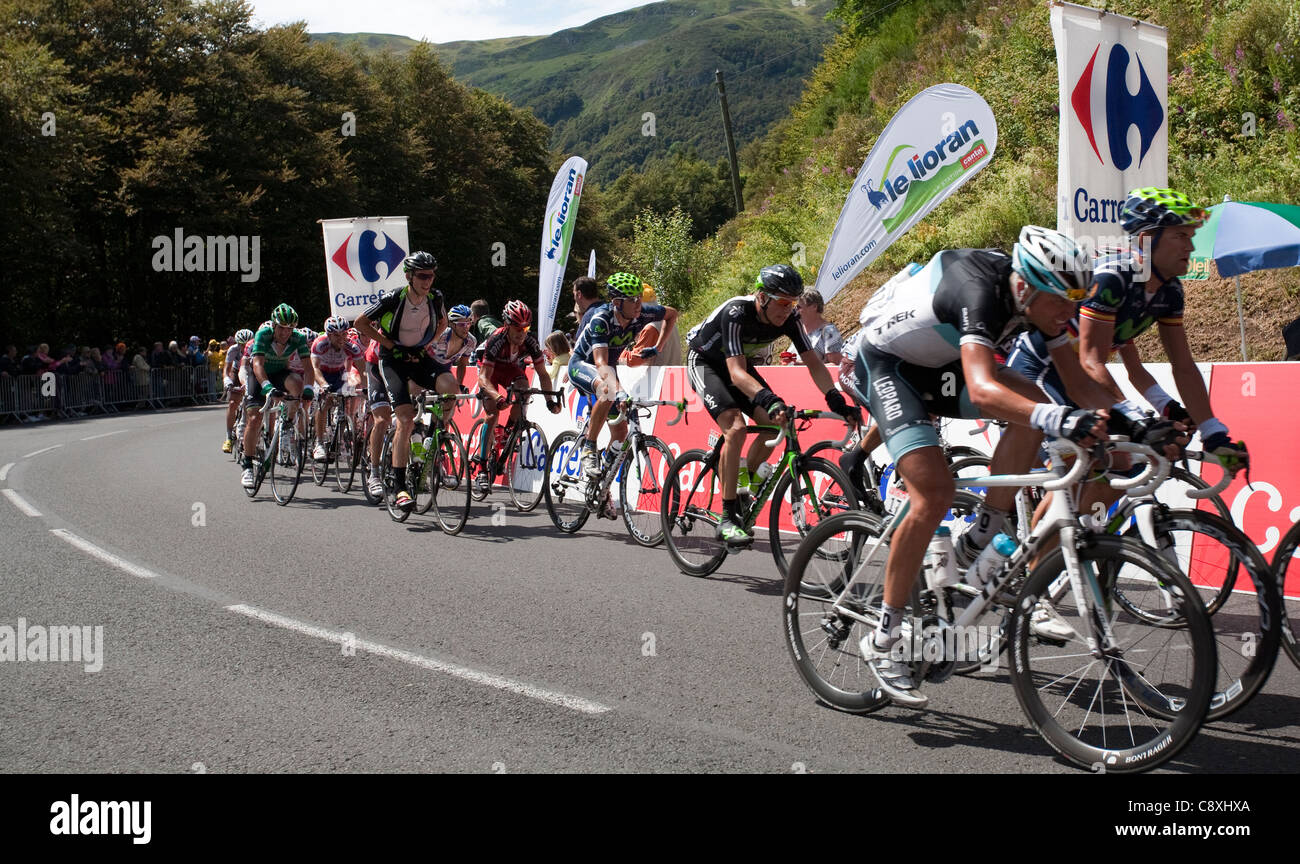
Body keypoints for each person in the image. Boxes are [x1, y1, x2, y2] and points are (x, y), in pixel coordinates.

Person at [846, 226, 1117, 705]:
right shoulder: (978, 290)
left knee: (1032, 400)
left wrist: (1133, 425)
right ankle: (883, 638)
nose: (1068, 314)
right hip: (889, 366)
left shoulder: (1042, 303)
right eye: (1061, 302)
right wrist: (1061, 419)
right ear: (1024, 287)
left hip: (940, 366)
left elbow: (1076, 383)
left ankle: (982, 533)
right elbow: (983, 388)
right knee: (933, 495)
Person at [686, 264, 860, 546]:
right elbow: (736, 373)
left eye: (792, 303)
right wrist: (769, 399)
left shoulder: (790, 319)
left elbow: (815, 364)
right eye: (782, 302)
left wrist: (835, 398)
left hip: (738, 366)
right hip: (707, 362)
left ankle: (743, 486)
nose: (787, 309)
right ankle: (727, 518)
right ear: (762, 297)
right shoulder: (737, 312)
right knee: (736, 428)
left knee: (771, 424)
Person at [353, 251, 447, 511]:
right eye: (423, 275)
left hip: (406, 361)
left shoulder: (431, 301)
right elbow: (362, 323)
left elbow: (441, 323)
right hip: (379, 363)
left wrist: (425, 346)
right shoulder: (395, 301)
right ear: (410, 276)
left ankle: (417, 457)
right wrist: (390, 344)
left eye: (432, 275)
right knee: (383, 419)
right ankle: (374, 473)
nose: (429, 280)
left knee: (412, 411)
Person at [568, 272, 679, 493]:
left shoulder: (642, 313)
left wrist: (659, 347)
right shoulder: (601, 319)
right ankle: (589, 449)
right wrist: (618, 390)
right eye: (632, 299)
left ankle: (599, 487)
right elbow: (600, 362)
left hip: (609, 370)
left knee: (620, 434)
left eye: (639, 297)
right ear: (617, 302)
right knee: (609, 391)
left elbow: (672, 314)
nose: (638, 304)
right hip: (584, 365)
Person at [474, 300, 562, 494]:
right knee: (492, 414)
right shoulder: (496, 340)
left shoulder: (530, 341)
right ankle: (481, 469)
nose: (522, 332)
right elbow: (483, 378)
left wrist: (550, 401)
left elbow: (543, 374)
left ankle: (507, 433)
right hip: (489, 370)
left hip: (508, 368)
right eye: (517, 327)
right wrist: (497, 397)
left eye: (526, 327)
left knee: (524, 388)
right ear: (506, 324)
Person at [240, 304, 317, 490]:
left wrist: (308, 388)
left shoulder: (298, 338)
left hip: (280, 372)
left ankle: (288, 424)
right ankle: (248, 465)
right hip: (259, 376)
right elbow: (257, 364)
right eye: (281, 328)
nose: (285, 332)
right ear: (274, 326)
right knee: (254, 418)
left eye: (289, 328)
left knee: (297, 383)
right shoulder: (263, 335)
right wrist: (267, 387)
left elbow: (308, 367)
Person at [310, 317, 363, 461]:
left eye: (344, 334)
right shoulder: (320, 344)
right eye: (337, 335)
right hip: (322, 374)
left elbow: (363, 370)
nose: (341, 338)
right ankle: (319, 443)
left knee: (347, 402)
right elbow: (314, 368)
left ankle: (339, 436)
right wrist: (323, 385)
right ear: (328, 335)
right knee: (325, 402)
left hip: (339, 374)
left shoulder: (352, 346)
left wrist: (364, 388)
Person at [221, 329, 254, 452]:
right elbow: (226, 369)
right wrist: (227, 381)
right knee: (232, 403)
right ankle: (229, 437)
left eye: (246, 344)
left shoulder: (256, 347)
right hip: (236, 370)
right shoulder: (233, 350)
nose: (244, 347)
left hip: (250, 371)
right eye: (241, 344)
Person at [795, 288, 843, 364]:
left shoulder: (829, 331)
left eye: (798, 307)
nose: (795, 310)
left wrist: (804, 366)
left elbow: (836, 366)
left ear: (814, 307)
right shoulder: (799, 331)